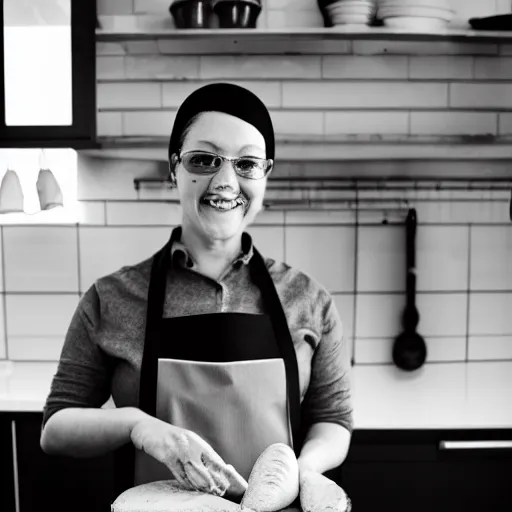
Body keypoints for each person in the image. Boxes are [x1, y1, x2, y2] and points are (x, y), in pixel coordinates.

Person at [40, 82, 353, 502]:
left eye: (247, 164)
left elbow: (333, 419)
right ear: (174, 169)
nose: (226, 181)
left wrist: (300, 471)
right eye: (204, 159)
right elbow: (55, 430)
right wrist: (137, 425)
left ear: (267, 174)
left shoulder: (308, 299)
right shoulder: (111, 297)